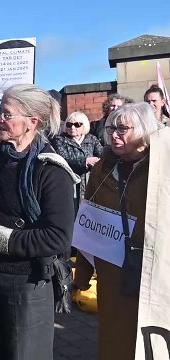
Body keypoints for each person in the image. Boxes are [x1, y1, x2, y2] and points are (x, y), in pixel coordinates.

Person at [0, 84, 78, 360]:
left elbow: (58, 237)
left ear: (31, 122)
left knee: (23, 353)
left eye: (6, 114)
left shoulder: (50, 170)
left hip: (28, 281)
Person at [74, 103, 158, 360]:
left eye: (123, 129)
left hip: (153, 269)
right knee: (115, 339)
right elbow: (89, 222)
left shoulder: (161, 168)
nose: (114, 134)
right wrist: (82, 276)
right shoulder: (102, 168)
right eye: (111, 128)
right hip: (113, 272)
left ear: (144, 131)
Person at [51, 111, 103, 208]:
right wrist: (85, 161)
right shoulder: (60, 140)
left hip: (90, 183)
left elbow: (101, 155)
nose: (72, 128)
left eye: (77, 124)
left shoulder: (92, 139)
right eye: (69, 124)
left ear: (84, 125)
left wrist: (96, 161)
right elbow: (63, 160)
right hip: (70, 182)